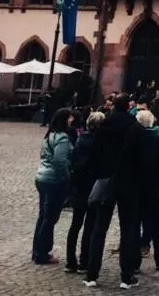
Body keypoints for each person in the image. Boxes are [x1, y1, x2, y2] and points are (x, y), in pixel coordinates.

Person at [84, 93, 141, 289]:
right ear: (128, 108)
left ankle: (91, 274)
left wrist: (99, 174)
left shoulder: (103, 126)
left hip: (106, 180)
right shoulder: (134, 127)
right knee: (128, 230)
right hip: (127, 182)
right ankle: (126, 277)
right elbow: (137, 157)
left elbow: (95, 153)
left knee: (99, 229)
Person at [32, 107, 74, 265]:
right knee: (49, 218)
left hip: (42, 177)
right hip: (53, 180)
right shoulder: (62, 138)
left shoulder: (49, 134)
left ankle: (37, 250)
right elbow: (59, 161)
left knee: (43, 216)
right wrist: (67, 178)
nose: (72, 121)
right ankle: (42, 253)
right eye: (69, 118)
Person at [65, 110, 105, 274]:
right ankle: (84, 261)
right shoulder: (102, 142)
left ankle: (70, 261)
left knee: (75, 224)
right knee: (90, 225)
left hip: (79, 185)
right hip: (93, 186)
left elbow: (73, 159)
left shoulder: (81, 139)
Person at [136, 110, 159, 272]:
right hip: (153, 187)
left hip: (136, 186)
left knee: (134, 223)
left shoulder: (134, 138)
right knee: (156, 224)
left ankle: (133, 263)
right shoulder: (158, 140)